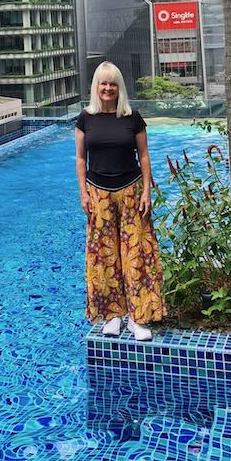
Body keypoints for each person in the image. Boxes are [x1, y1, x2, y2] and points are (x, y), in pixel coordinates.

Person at [75, 61, 166, 340]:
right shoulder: (85, 119)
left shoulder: (132, 117)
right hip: (98, 193)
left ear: (119, 87)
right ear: (96, 87)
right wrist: (83, 193)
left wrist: (148, 191)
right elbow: (81, 159)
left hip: (131, 191)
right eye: (103, 83)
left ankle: (139, 317)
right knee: (104, 257)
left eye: (113, 83)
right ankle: (112, 316)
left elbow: (145, 155)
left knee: (137, 254)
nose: (108, 88)